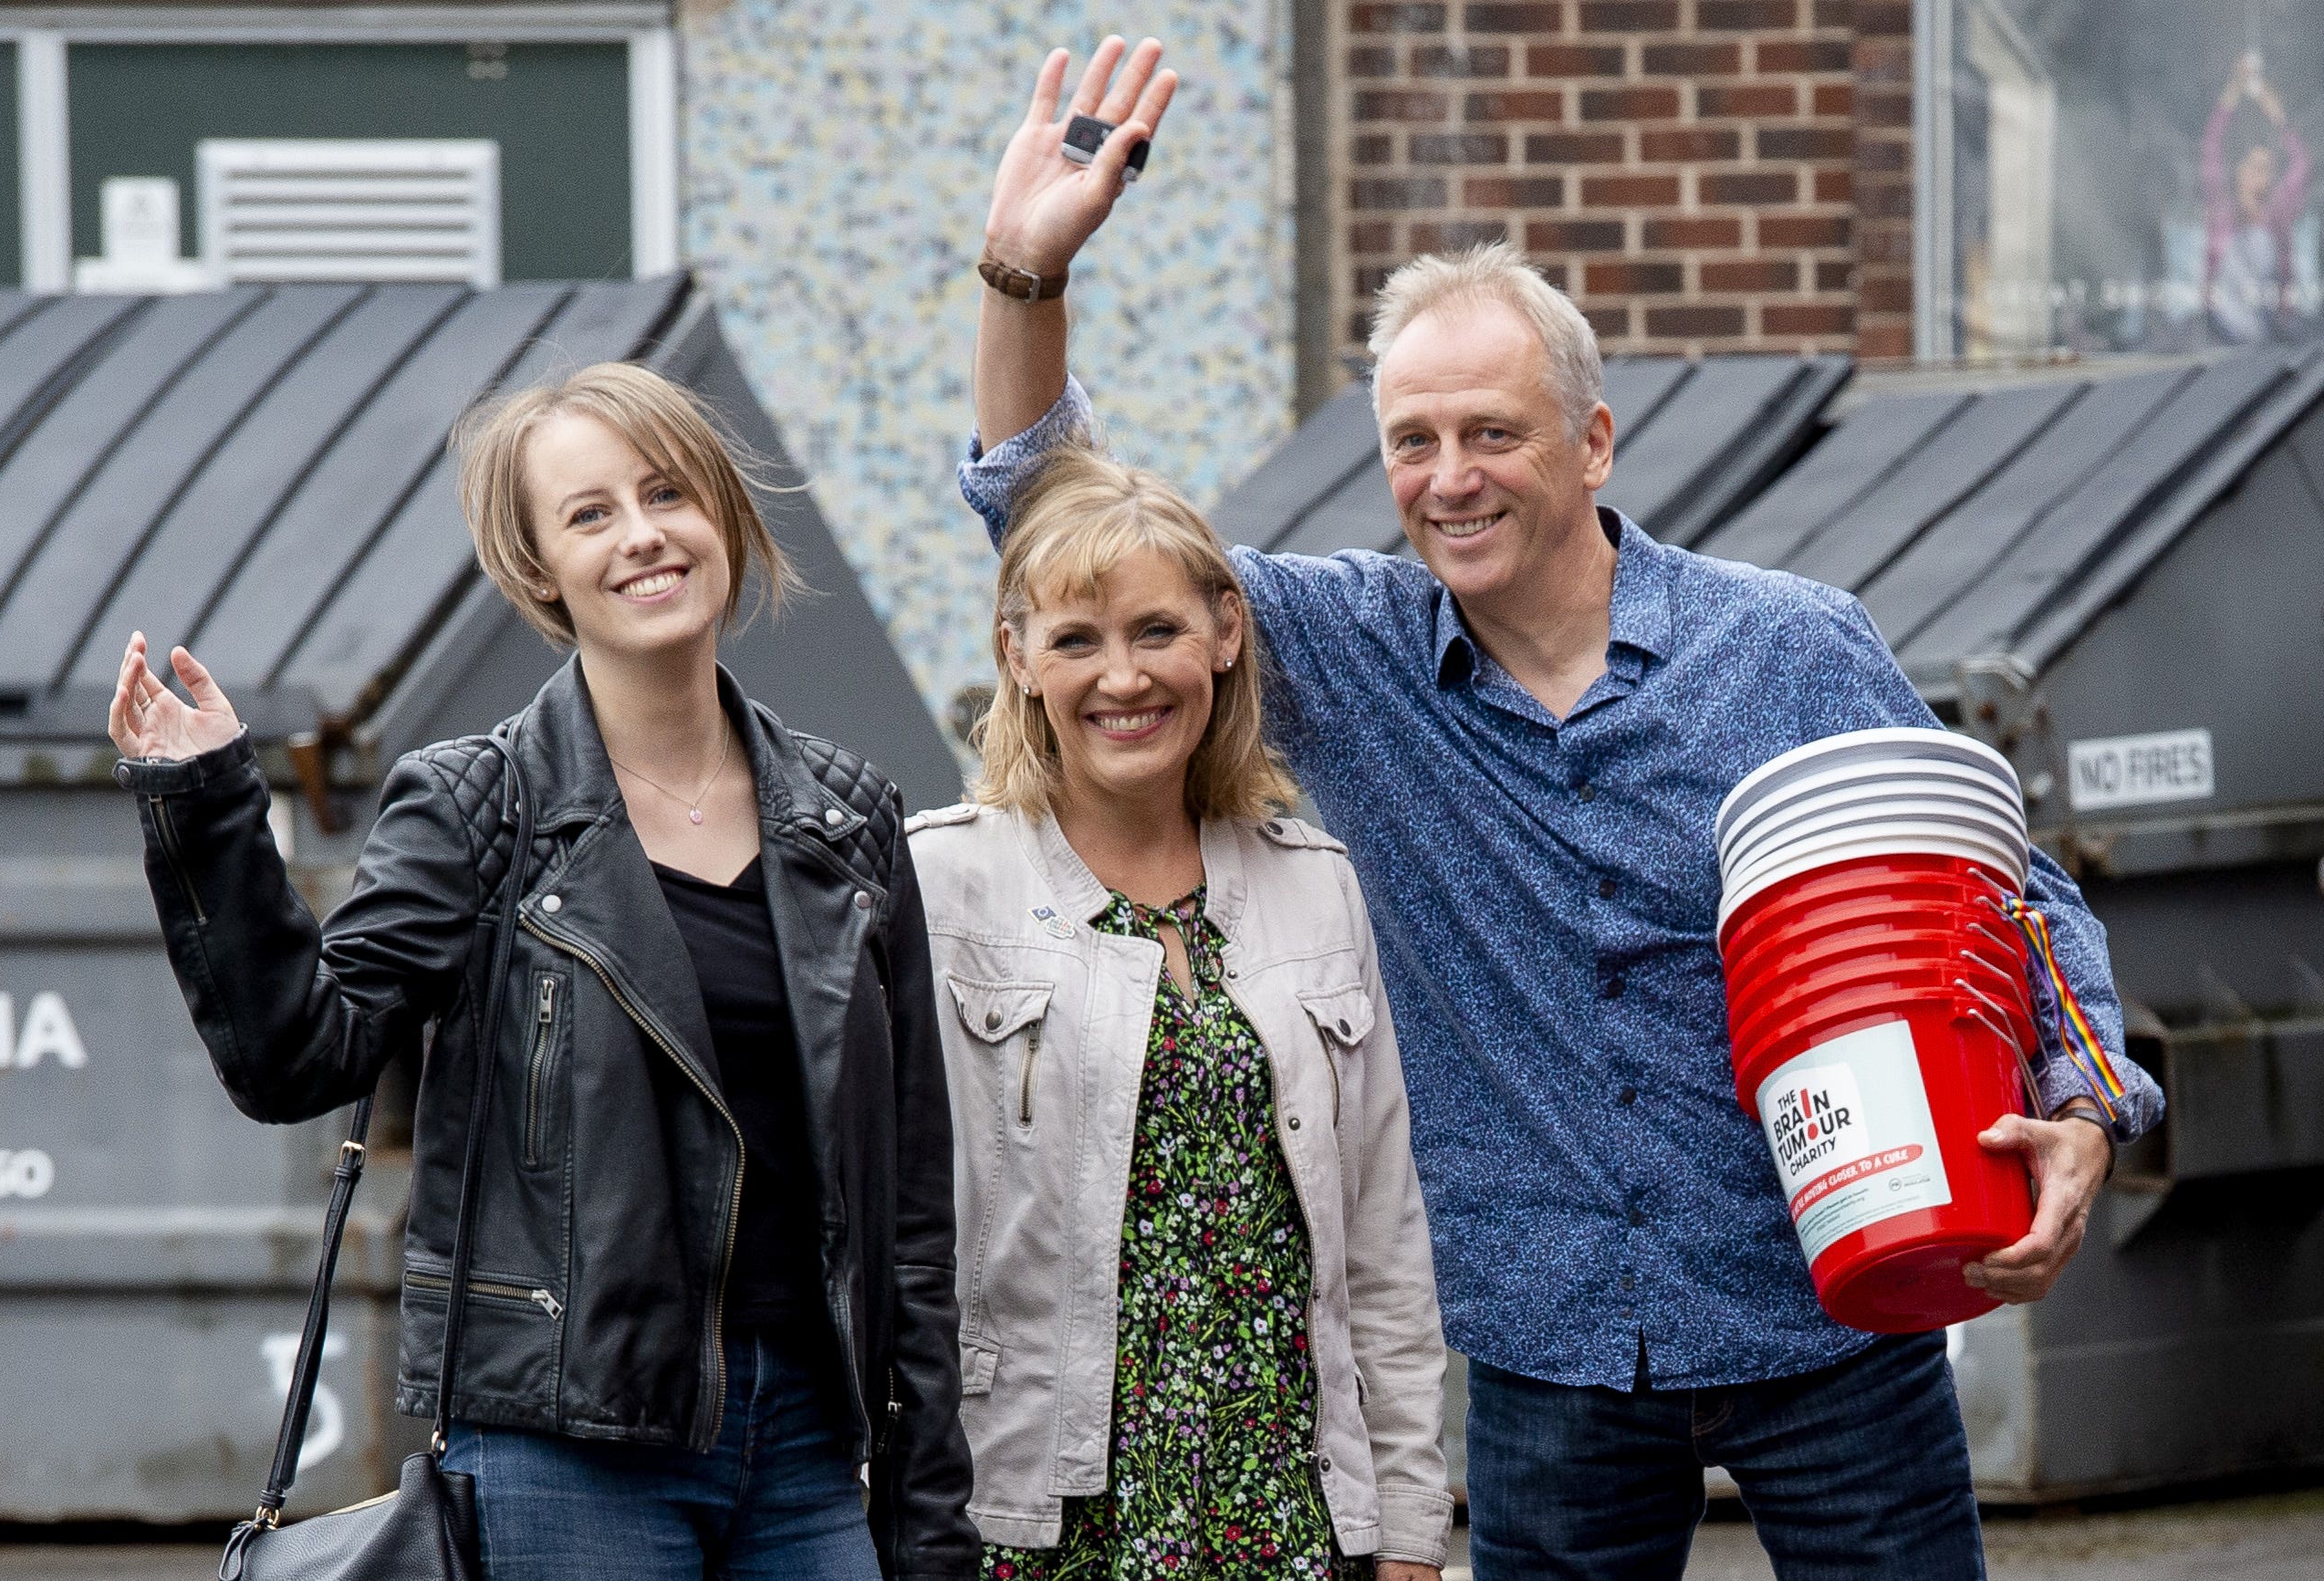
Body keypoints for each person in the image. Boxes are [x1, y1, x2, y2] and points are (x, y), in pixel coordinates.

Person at [956, 37, 2164, 1581]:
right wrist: (1022, 275)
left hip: (1828, 1300)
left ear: (1592, 442)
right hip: (1549, 1343)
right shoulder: (1352, 648)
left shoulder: (1783, 643)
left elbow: (2004, 882)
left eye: (1491, 433)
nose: (1449, 478)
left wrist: (2080, 1103)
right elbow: (1052, 523)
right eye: (1413, 440)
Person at [107, 361, 977, 1581]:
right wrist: (206, 808)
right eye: (590, 514)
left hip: (805, 1445)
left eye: (666, 492)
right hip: (568, 1448)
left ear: (721, 511)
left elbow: (911, 1202)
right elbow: (298, 1053)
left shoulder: (849, 819)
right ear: (541, 570)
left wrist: (929, 1503)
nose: (643, 536)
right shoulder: (478, 806)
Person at [907, 445, 1452, 1580]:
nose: (1122, 677)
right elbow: (872, 1236)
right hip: (1033, 1515)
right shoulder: (937, 887)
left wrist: (1407, 1526)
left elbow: (1385, 1243)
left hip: (1287, 1513)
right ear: (1016, 658)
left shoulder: (1319, 884)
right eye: (1075, 640)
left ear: (1224, 633)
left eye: (1155, 630)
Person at [2203, 48, 2311, 344]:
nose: (2259, 176)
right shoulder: (2222, 213)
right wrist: (2234, 91)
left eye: (2267, 169)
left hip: (2270, 340)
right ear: (2237, 170)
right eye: (2253, 167)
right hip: (2222, 336)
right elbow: (2211, 147)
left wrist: (2277, 114)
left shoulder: (2278, 212)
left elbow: (2301, 163)